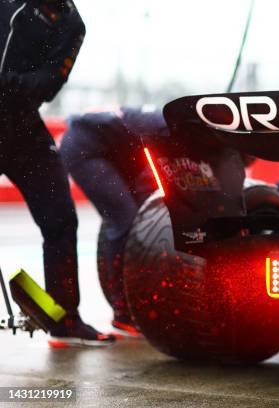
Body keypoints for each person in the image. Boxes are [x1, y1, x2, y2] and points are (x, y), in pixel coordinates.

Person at [0, 0, 115, 346]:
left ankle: (64, 319)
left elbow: (48, 85)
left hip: (22, 128)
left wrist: (6, 83)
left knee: (62, 219)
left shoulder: (72, 23)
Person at [60, 106, 165, 337]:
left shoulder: (160, 125)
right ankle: (123, 313)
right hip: (85, 151)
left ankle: (132, 302)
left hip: (110, 150)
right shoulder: (165, 128)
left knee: (134, 219)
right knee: (124, 221)